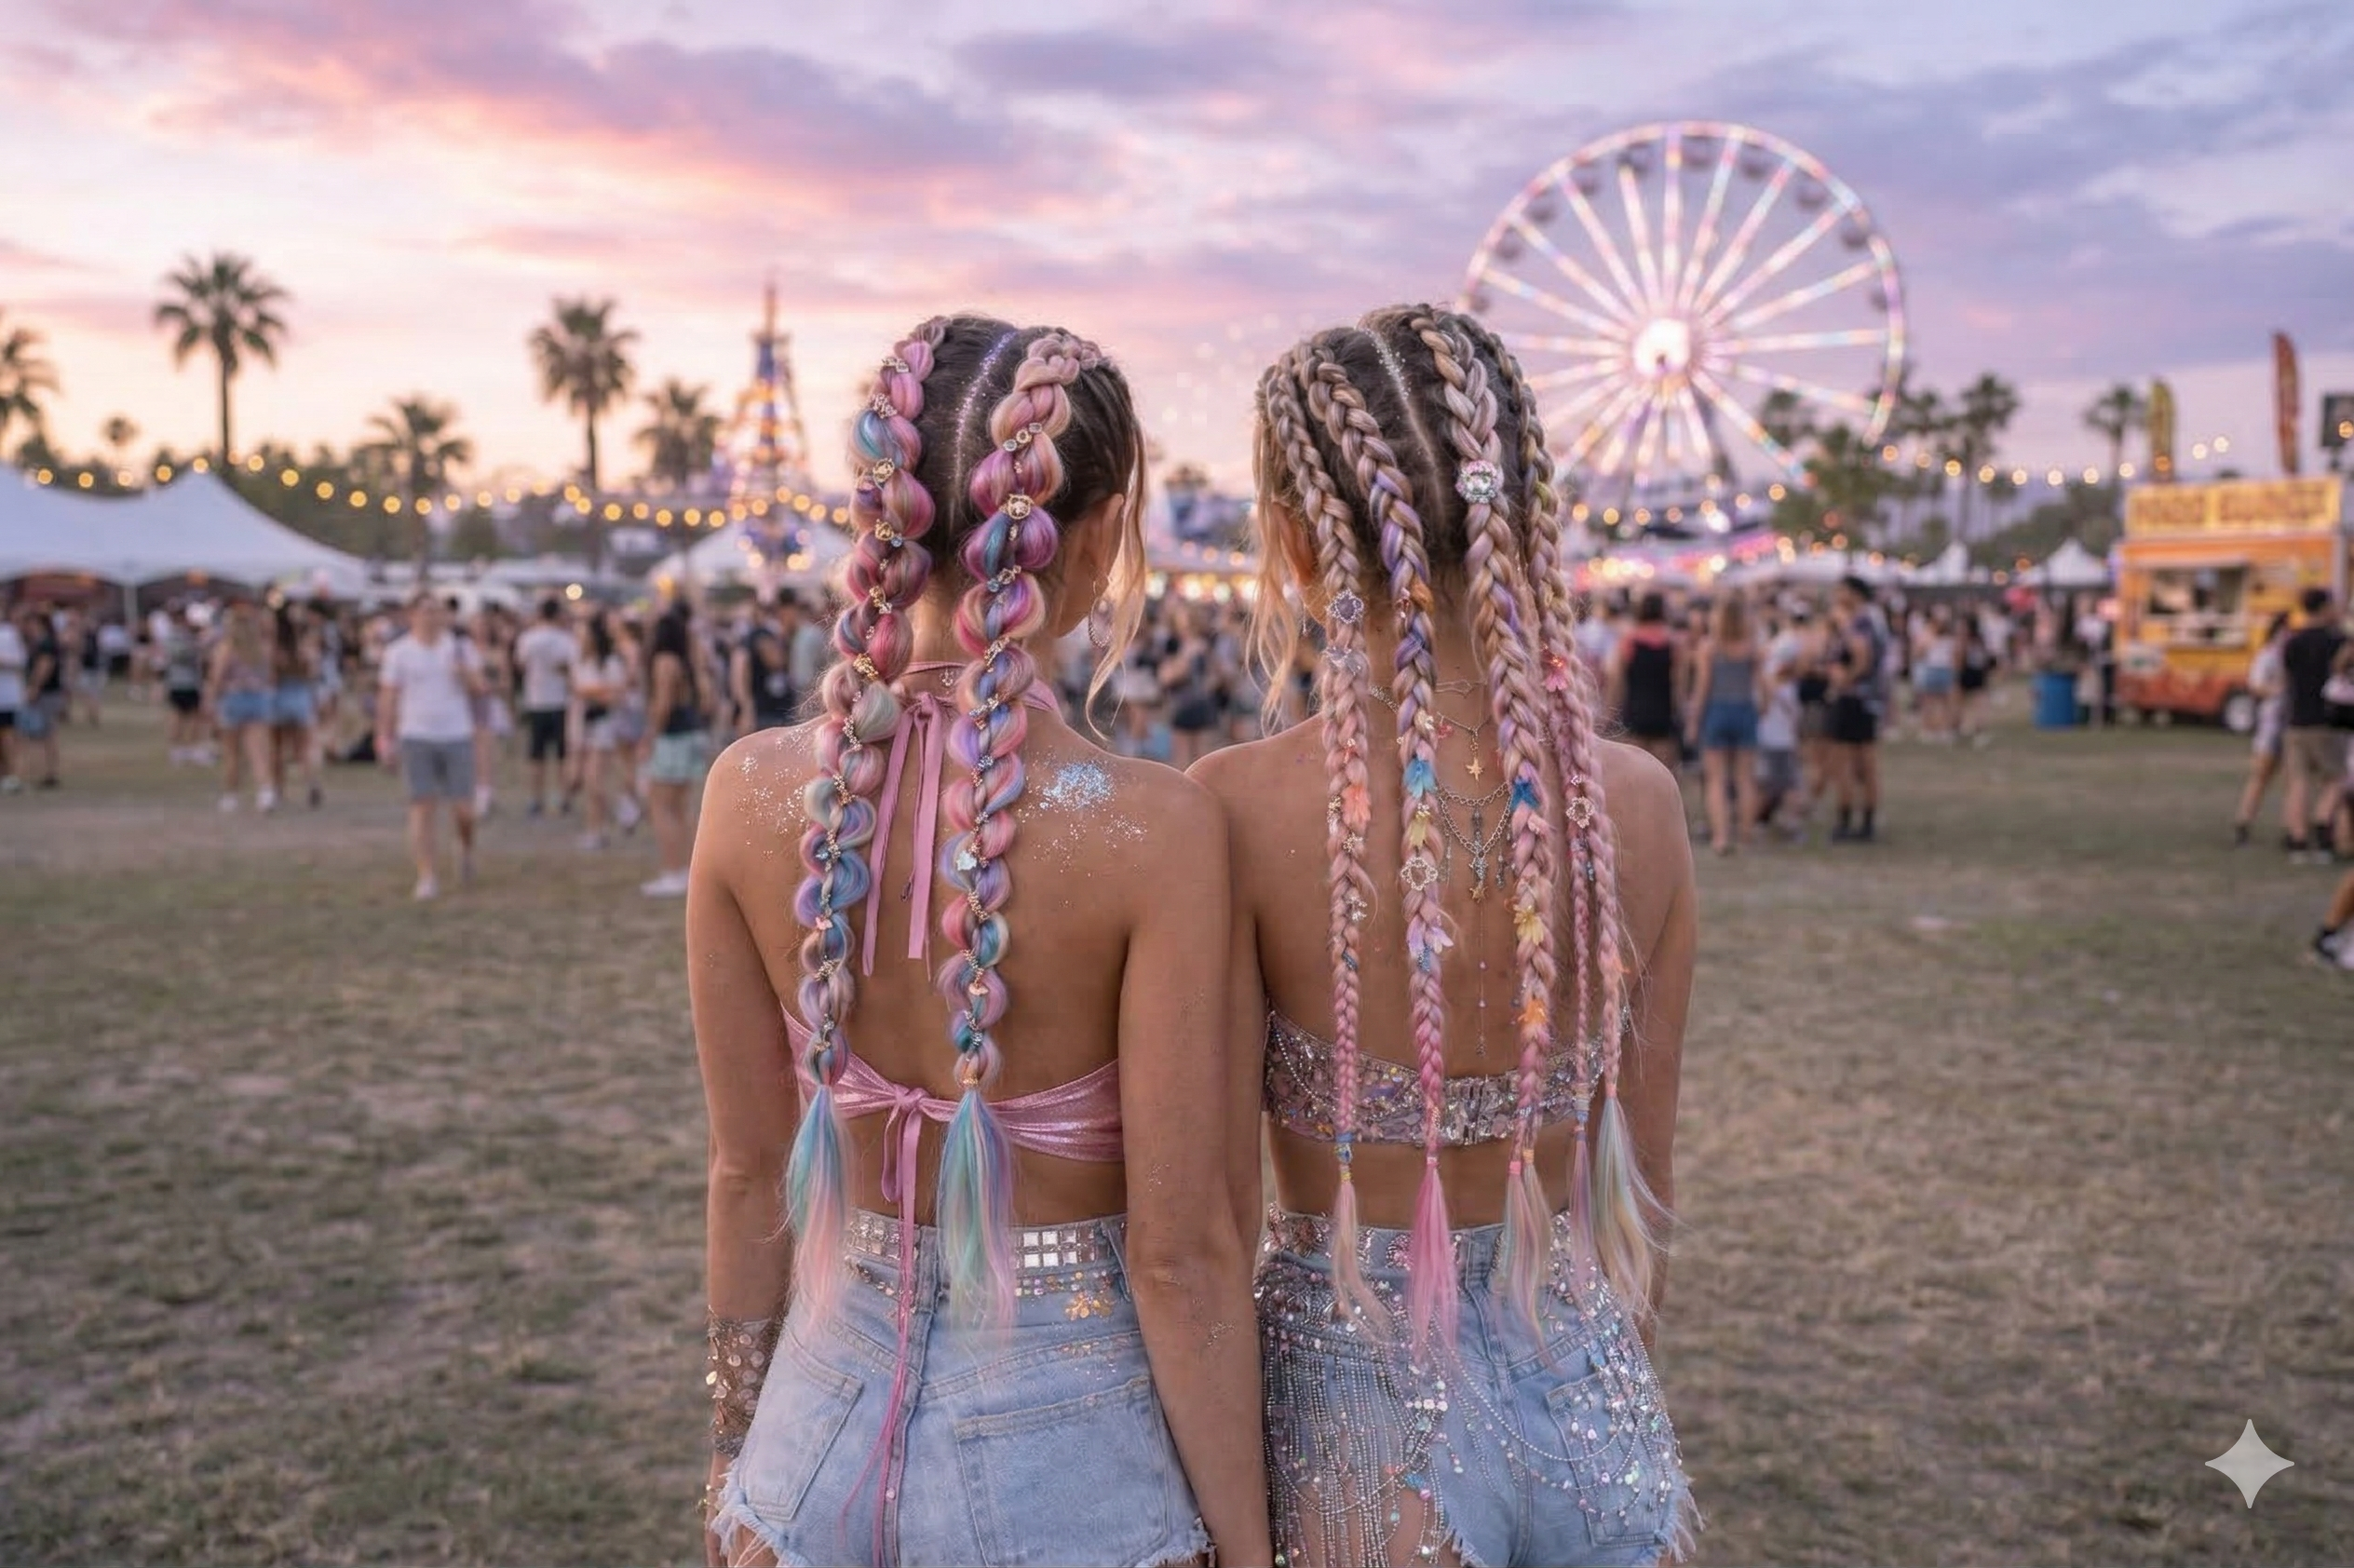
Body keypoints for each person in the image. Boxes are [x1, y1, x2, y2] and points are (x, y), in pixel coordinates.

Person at [694, 318, 1267, 1568]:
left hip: (808, 1451)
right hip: (1075, 1467)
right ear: (1106, 533)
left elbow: (748, 1176)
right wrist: (1248, 1542)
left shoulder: (745, 791)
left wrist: (741, 1450)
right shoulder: (1153, 831)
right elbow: (1181, 1256)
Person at [1199, 306, 1694, 1566]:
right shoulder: (1639, 804)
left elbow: (1198, 1226)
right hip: (1592, 1392)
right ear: (1524, 514)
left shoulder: (1236, 809)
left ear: (1296, 546)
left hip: (1359, 1415)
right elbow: (1645, 1184)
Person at [374, 593, 486, 899]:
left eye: (437, 611)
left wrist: (464, 673)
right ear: (412, 615)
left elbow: (480, 687)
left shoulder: (460, 648)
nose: (432, 617)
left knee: (464, 809)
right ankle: (427, 874)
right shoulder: (399, 652)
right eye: (425, 612)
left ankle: (464, 848)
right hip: (416, 734)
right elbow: (388, 696)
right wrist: (384, 736)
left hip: (456, 733)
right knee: (422, 807)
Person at [640, 603, 712, 899]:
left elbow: (662, 705)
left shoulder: (664, 661)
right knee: (681, 808)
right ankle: (687, 870)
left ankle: (673, 871)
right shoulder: (686, 660)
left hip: (672, 738)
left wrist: (649, 737)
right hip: (689, 733)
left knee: (662, 806)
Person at [1687, 589, 1762, 856]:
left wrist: (1694, 720)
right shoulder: (1752, 647)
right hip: (1744, 709)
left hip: (1717, 711)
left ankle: (1721, 836)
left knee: (1716, 779)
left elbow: (1702, 688)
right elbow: (1761, 685)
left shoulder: (1709, 647)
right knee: (1745, 778)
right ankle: (1745, 834)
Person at [2280, 588, 2349, 864]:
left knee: (2299, 782)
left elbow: (2287, 679)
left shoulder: (2292, 641)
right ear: (2324, 608)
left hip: (2296, 721)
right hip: (2326, 721)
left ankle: (2297, 841)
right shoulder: (2337, 641)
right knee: (2335, 779)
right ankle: (2322, 827)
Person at [1826, 574, 1887, 843]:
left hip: (1855, 699)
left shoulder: (1859, 622)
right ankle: (1865, 819)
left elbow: (1862, 658)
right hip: (1867, 700)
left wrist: (1844, 681)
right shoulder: (1873, 620)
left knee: (1849, 763)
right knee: (1864, 762)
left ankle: (1848, 819)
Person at [207, 599, 277, 812]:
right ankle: (265, 791)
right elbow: (271, 676)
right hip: (259, 699)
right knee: (258, 750)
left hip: (233, 699)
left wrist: (212, 700)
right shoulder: (263, 649)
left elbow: (216, 678)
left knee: (232, 753)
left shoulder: (227, 648)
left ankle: (231, 795)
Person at [2231, 612, 2293, 848]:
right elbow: (2255, 686)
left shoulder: (2289, 655)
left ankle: (2290, 828)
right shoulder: (2267, 656)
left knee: (2291, 780)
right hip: (2271, 724)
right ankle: (2243, 822)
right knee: (2261, 777)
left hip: (2289, 723)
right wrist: (2276, 691)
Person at [571, 610, 631, 850]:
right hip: (585, 724)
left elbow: (616, 694)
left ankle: (618, 813)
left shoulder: (610, 662)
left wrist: (592, 692)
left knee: (596, 780)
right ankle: (595, 828)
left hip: (605, 726)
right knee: (589, 781)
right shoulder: (583, 662)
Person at [513, 597, 575, 817]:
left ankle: (535, 798)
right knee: (561, 754)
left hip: (536, 700)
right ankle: (561, 797)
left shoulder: (528, 639)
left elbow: (520, 665)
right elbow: (570, 668)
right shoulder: (565, 639)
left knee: (536, 754)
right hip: (559, 700)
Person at [1608, 591, 1683, 774]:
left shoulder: (1629, 641)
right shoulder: (1673, 643)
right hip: (1663, 713)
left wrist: (1610, 710)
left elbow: (1617, 680)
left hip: (1636, 710)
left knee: (1634, 773)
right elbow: (1678, 683)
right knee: (1664, 774)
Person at [269, 601, 324, 809]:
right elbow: (312, 673)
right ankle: (310, 782)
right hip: (300, 696)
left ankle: (277, 789)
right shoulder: (305, 645)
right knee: (302, 747)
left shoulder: (275, 649)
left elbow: (271, 676)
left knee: (277, 747)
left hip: (279, 696)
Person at [730, 597, 798, 736]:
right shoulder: (762, 637)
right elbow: (776, 662)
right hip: (768, 711)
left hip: (768, 709)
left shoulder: (747, 640)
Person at [0, 603, 22, 793]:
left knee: (7, 736)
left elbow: (18, 660)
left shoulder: (8, 634)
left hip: (5, 696)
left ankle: (11, 775)